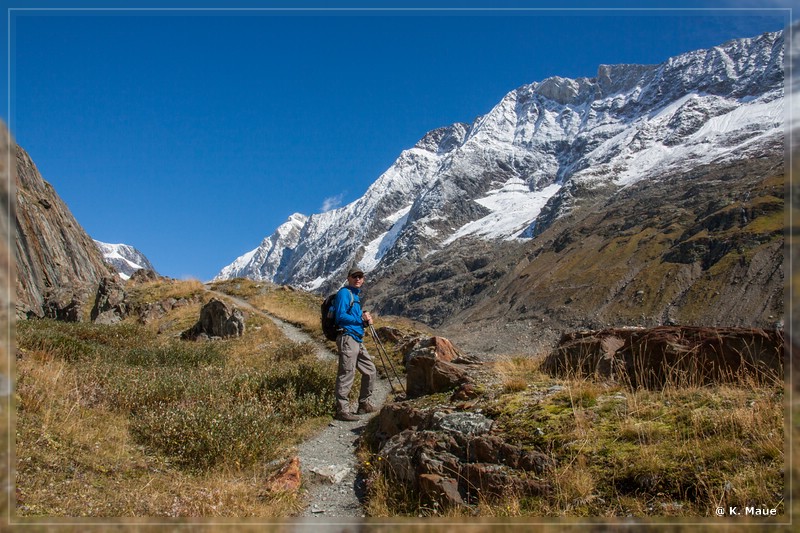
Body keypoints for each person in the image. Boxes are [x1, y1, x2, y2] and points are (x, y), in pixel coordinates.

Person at [332, 267, 378, 422]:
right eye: (354, 276)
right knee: (347, 372)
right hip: (347, 337)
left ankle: (364, 403)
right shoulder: (344, 293)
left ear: (363, 279)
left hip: (356, 338)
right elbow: (340, 316)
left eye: (360, 277)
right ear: (348, 278)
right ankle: (342, 410)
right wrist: (360, 320)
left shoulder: (355, 296)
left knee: (370, 370)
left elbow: (354, 319)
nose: (358, 279)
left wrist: (363, 322)